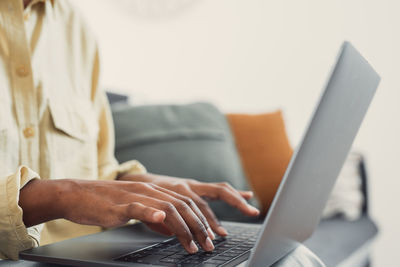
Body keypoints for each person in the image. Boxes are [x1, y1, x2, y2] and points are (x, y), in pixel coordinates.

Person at [0, 1, 325, 266]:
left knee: (289, 257)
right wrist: (57, 196)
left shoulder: (73, 26)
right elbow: (69, 190)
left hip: (86, 256)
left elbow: (96, 169)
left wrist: (145, 190)